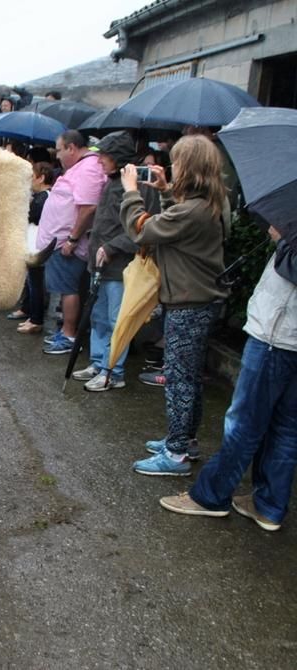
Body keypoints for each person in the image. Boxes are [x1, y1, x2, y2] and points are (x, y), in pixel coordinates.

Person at [158, 225, 297, 528]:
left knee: (244, 424)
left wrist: (283, 240)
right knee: (286, 428)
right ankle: (269, 506)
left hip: (278, 336)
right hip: (286, 339)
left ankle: (210, 495)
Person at [120, 134, 230, 476]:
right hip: (200, 300)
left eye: (177, 161)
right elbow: (175, 226)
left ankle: (177, 453)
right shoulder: (212, 202)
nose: (172, 165)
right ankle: (186, 439)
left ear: (191, 167)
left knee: (179, 379)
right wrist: (167, 192)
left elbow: (144, 231)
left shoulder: (195, 210)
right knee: (190, 377)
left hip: (188, 303)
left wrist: (130, 192)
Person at [71, 131, 159, 391]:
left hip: (121, 268)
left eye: (105, 156)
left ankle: (113, 371)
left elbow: (143, 228)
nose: (100, 161)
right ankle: (99, 363)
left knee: (116, 321)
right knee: (98, 318)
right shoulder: (112, 181)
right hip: (100, 266)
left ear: (118, 158)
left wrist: (111, 246)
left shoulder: (139, 187)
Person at [37, 130, 107, 355]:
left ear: (71, 148)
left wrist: (72, 239)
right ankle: (66, 331)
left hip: (67, 244)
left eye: (59, 150)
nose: (57, 156)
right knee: (65, 288)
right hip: (60, 242)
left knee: (68, 290)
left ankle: (68, 334)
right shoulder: (81, 168)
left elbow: (88, 207)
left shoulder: (88, 168)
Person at [16, 162, 56, 335]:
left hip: (36, 246)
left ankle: (35, 320)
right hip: (36, 244)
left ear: (41, 178)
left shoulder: (43, 198)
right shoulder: (46, 195)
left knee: (35, 284)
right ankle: (31, 315)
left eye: (33, 176)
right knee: (33, 283)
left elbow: (30, 216)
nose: (30, 180)